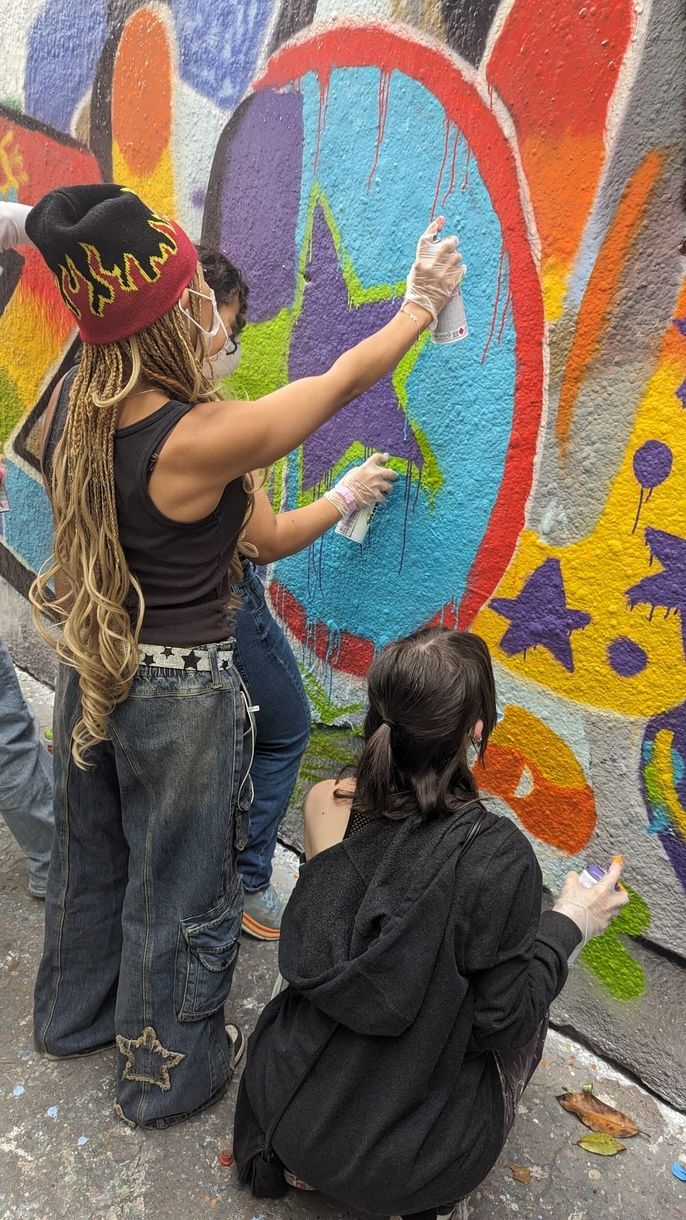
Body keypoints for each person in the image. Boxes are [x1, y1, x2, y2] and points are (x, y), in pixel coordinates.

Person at [7, 185, 460, 1129]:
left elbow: (258, 533)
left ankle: (76, 1020)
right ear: (171, 319)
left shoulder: (76, 408)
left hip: (99, 670)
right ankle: (165, 1074)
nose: (211, 316)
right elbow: (336, 382)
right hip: (181, 698)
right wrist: (419, 303)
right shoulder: (200, 438)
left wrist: (326, 501)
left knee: (96, 860)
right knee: (182, 888)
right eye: (194, 303)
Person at [234, 627, 629, 1219]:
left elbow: (352, 936)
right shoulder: (498, 859)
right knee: (530, 997)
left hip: (287, 1107)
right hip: (399, 1166)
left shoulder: (326, 801)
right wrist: (572, 922)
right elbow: (504, 1021)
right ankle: (432, 1191)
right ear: (475, 730)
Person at [198, 245, 398, 939]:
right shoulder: (203, 418)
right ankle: (246, 884)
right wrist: (345, 495)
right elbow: (266, 538)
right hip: (221, 596)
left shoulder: (127, 396)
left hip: (163, 613)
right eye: (221, 325)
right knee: (285, 726)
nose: (228, 343)